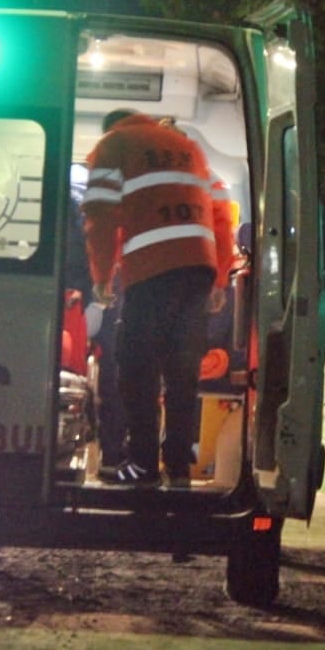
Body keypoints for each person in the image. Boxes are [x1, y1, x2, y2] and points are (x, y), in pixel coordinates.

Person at [81, 109, 234, 486]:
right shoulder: (188, 147)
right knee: (182, 373)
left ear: (110, 127)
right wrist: (219, 277)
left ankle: (143, 465)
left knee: (136, 367)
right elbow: (221, 214)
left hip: (152, 268)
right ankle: (178, 467)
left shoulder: (113, 144)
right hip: (197, 269)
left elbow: (99, 215)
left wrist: (102, 275)